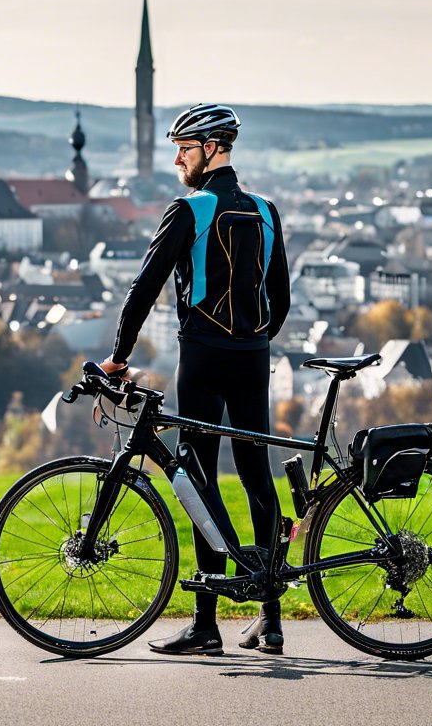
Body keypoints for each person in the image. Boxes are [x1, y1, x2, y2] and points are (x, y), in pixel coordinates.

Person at [99, 103, 291, 655]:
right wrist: (254, 340)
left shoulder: (190, 208)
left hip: (203, 358)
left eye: (184, 148)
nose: (178, 158)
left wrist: (118, 357)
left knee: (201, 479)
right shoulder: (266, 210)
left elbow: (143, 289)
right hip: (254, 357)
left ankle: (206, 625)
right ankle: (270, 618)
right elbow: (279, 300)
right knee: (259, 476)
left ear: (210, 149)